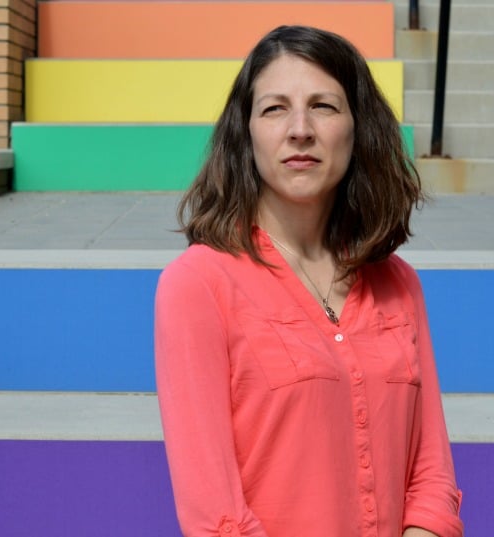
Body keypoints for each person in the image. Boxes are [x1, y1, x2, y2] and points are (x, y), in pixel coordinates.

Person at [154, 25, 463, 537]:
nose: (300, 129)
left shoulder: (400, 284)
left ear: (358, 127)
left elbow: (431, 478)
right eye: (275, 108)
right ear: (246, 131)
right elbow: (216, 516)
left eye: (323, 105)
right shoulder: (197, 286)